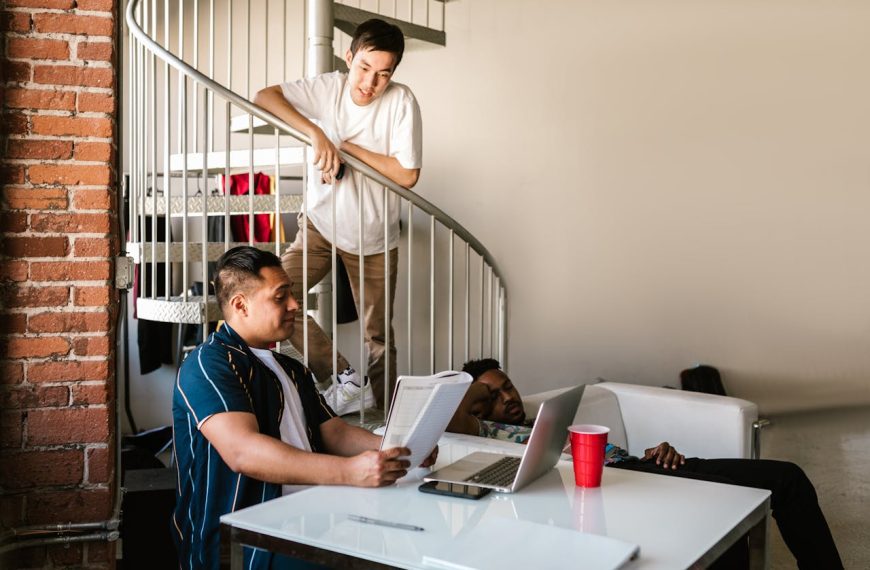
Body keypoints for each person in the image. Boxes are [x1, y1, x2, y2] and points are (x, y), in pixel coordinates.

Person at [171, 247, 435, 570]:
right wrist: (350, 473)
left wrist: (397, 449)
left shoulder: (291, 368)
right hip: (247, 545)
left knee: (416, 540)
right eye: (280, 297)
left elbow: (334, 432)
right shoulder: (207, 364)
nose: (295, 305)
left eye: (292, 294)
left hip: (314, 518)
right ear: (241, 305)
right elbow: (243, 452)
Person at [448, 358, 843, 570]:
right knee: (730, 509)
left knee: (787, 477)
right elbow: (453, 413)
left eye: (508, 386)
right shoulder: (483, 431)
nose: (507, 398)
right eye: (492, 394)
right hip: (618, 486)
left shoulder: (544, 418)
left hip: (643, 466)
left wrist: (658, 450)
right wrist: (476, 390)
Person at [254, 18, 422, 414]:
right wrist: (316, 134)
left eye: (383, 74)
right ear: (349, 57)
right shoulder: (328, 87)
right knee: (272, 297)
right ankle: (345, 378)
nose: (369, 83)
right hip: (320, 226)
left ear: (392, 74)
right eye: (364, 68)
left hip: (375, 238)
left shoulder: (401, 101)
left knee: (378, 337)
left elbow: (407, 174)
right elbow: (264, 97)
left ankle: (382, 422)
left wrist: (346, 147)